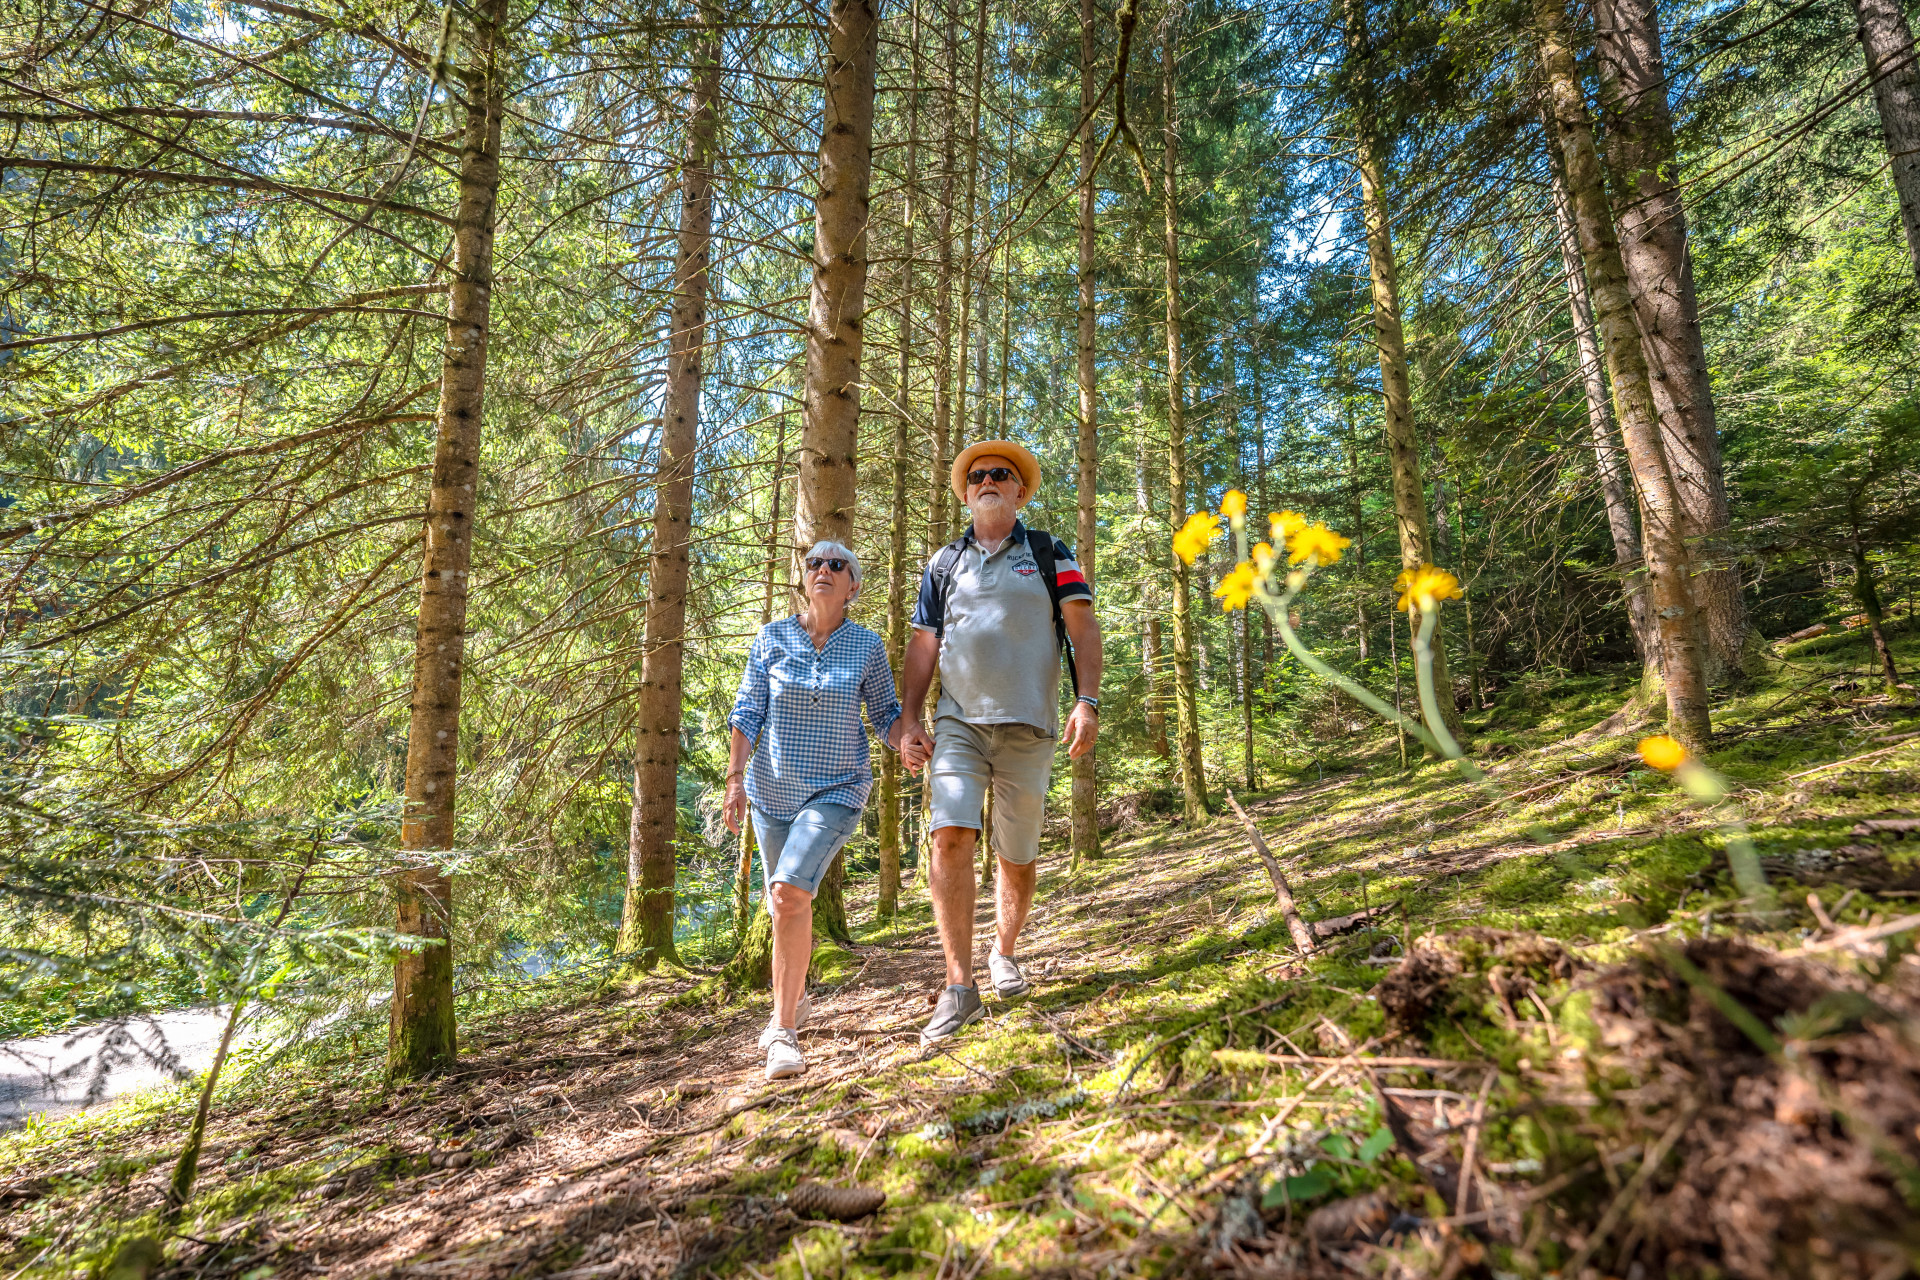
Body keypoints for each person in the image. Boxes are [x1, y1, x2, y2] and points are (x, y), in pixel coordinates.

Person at [896, 441, 1102, 1045]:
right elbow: (923, 646)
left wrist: (1086, 702)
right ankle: (959, 987)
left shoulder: (1050, 552)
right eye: (977, 475)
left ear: (1020, 492)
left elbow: (1083, 629)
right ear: (965, 493)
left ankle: (1003, 950)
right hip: (958, 722)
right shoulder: (943, 564)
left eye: (1001, 475)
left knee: (1016, 855)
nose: (988, 480)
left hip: (1031, 725)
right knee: (951, 832)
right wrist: (911, 719)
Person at [725, 539, 914, 1081]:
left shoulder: (866, 646)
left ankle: (782, 1033)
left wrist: (906, 741)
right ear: (803, 578)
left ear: (853, 586)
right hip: (771, 795)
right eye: (815, 564)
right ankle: (797, 998)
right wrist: (735, 779)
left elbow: (885, 713)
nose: (824, 570)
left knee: (789, 892)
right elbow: (747, 712)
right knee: (783, 902)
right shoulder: (773, 638)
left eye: (838, 565)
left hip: (836, 789)